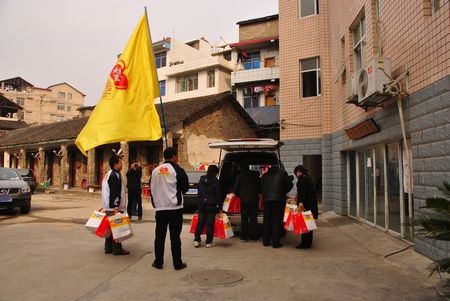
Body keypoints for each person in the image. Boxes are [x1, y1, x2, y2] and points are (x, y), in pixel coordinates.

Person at [150, 147, 189, 270]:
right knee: (175, 237)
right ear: (174, 156)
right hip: (175, 208)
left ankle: (158, 262)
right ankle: (177, 263)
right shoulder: (178, 170)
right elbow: (185, 188)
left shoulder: (155, 171)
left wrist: (156, 203)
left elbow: (151, 188)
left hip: (160, 209)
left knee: (159, 237)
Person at [102, 154, 129, 255]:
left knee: (109, 228)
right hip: (114, 207)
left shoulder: (109, 174)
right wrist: (116, 207)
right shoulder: (115, 175)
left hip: (108, 206)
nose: (121, 164)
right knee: (117, 228)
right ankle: (117, 249)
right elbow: (115, 192)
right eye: (120, 162)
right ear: (115, 164)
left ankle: (108, 248)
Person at [260, 165, 293, 248]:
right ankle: (275, 243)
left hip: (266, 200)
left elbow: (260, 188)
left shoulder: (264, 176)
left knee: (266, 221)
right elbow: (289, 185)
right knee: (276, 221)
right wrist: (284, 191)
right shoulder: (282, 174)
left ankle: (266, 242)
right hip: (278, 201)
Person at [194, 165, 221, 248]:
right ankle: (208, 242)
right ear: (215, 173)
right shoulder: (216, 182)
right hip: (211, 205)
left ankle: (197, 240)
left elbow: (199, 191)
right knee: (210, 223)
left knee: (200, 222)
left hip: (201, 204)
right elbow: (218, 195)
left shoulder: (201, 179)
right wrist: (219, 207)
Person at [233, 163, 260, 242]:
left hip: (244, 200)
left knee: (244, 219)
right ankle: (253, 237)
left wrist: (240, 195)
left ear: (241, 168)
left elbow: (235, 190)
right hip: (254, 200)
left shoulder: (239, 177)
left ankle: (244, 237)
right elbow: (259, 187)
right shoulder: (254, 176)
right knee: (253, 219)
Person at [294, 164, 318, 249]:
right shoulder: (308, 178)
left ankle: (304, 243)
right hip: (311, 205)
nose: (296, 175)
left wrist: (301, 202)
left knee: (303, 224)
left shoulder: (302, 179)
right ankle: (308, 243)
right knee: (309, 224)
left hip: (305, 205)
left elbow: (303, 192)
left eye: (296, 173)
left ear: (299, 172)